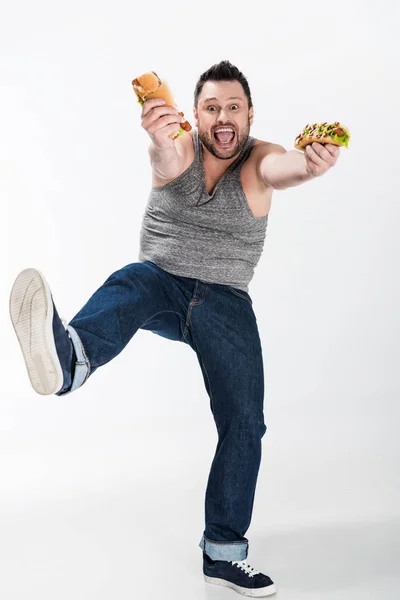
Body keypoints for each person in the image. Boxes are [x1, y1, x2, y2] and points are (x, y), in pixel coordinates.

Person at [9, 60, 340, 597]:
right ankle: (68, 361)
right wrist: (160, 135)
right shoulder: (178, 147)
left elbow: (288, 168)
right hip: (162, 285)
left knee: (245, 423)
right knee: (133, 280)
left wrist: (312, 164)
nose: (223, 118)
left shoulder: (261, 159)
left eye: (234, 107)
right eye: (212, 108)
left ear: (250, 114)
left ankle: (224, 554)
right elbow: (165, 154)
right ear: (195, 115)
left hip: (225, 304)